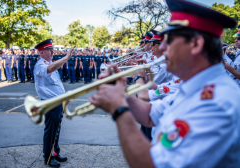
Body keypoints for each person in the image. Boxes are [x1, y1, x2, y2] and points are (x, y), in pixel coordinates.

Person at [89, 0, 240, 167]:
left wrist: (119, 109)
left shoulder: (216, 101)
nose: (162, 48)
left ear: (196, 44)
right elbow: (149, 114)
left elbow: (154, 164)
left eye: (170, 40)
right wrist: (120, 90)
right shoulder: (194, 87)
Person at [34, 39, 75, 167]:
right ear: (41, 52)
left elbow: (55, 85)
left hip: (58, 101)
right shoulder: (41, 65)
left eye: (52, 49)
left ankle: (55, 153)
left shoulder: (50, 63)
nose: (52, 51)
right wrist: (66, 57)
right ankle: (48, 157)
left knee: (56, 129)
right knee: (51, 130)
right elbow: (50, 69)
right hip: (50, 103)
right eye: (49, 50)